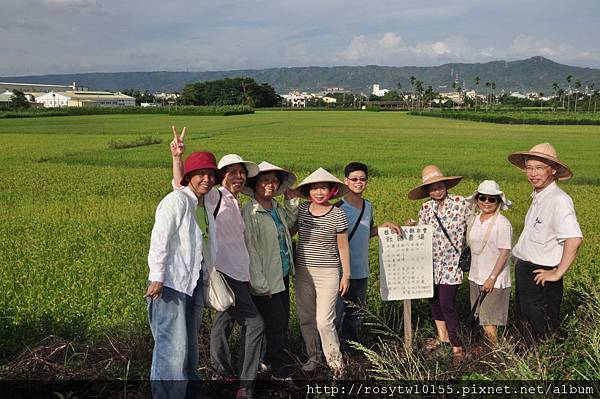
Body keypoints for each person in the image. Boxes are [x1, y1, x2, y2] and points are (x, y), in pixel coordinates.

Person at [170, 127, 263, 399]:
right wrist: (178, 158)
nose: (238, 176)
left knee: (223, 321)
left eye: (241, 172)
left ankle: (221, 370)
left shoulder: (236, 201)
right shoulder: (215, 196)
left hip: (238, 273)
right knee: (255, 324)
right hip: (224, 272)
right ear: (222, 176)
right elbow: (182, 187)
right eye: (232, 172)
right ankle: (245, 384)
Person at [146, 150, 218, 399]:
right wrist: (157, 277)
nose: (206, 179)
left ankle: (190, 392)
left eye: (210, 174)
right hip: (170, 283)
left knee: (189, 345)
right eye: (200, 174)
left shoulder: (204, 205)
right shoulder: (176, 201)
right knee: (171, 347)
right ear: (189, 176)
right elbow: (160, 240)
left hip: (193, 282)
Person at [508, 143, 583, 344]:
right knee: (525, 324)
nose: (533, 173)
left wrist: (557, 272)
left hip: (542, 275)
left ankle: (547, 368)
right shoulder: (538, 197)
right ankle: (531, 366)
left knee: (543, 329)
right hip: (526, 271)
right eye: (529, 168)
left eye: (539, 168)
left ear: (553, 170)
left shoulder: (559, 200)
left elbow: (574, 239)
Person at [334, 162, 401, 354]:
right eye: (354, 179)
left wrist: (383, 227)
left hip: (361, 270)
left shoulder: (368, 206)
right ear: (346, 181)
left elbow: (366, 232)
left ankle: (351, 352)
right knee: (336, 316)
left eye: (362, 179)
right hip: (341, 272)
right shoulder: (338, 208)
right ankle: (333, 354)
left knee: (356, 316)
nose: (358, 182)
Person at [241, 161, 297, 384]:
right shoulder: (250, 212)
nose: (270, 184)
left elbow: (290, 224)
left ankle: (266, 361)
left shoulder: (276, 207)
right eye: (265, 180)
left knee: (279, 322)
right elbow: (250, 250)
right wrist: (260, 285)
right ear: (254, 185)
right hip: (265, 280)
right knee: (276, 325)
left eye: (274, 180)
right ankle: (280, 371)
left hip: (281, 274)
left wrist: (291, 201)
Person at [292, 167, 350, 377]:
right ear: (308, 191)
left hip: (329, 273)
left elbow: (343, 246)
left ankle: (336, 364)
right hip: (303, 272)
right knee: (306, 317)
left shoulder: (337, 214)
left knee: (324, 320)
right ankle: (314, 357)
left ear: (331, 191)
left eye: (323, 188)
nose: (319, 192)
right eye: (314, 188)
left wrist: (346, 275)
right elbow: (289, 231)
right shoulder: (302, 210)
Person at [407, 165, 469, 361]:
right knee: (434, 302)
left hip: (452, 265)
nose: (437, 190)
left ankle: (457, 344)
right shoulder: (426, 208)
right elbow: (421, 231)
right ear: (427, 191)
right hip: (431, 264)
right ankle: (443, 339)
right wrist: (411, 227)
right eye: (432, 188)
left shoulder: (460, 203)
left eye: (439, 186)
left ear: (446, 185)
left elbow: (474, 226)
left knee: (446, 303)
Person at [465, 180, 513, 344]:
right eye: (482, 198)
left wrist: (491, 278)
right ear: (477, 199)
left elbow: (504, 253)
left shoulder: (503, 223)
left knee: (489, 322)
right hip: (475, 276)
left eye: (491, 199)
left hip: (494, 279)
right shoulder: (474, 219)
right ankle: (489, 356)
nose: (486, 202)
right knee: (481, 317)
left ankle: (496, 358)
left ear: (498, 201)